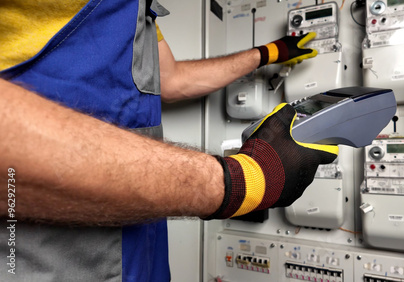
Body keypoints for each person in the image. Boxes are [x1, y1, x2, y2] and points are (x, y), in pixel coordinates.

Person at [0, 1, 338, 281]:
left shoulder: (135, 9)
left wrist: (267, 53)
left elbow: (173, 78)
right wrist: (242, 181)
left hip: (140, 242)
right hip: (43, 251)